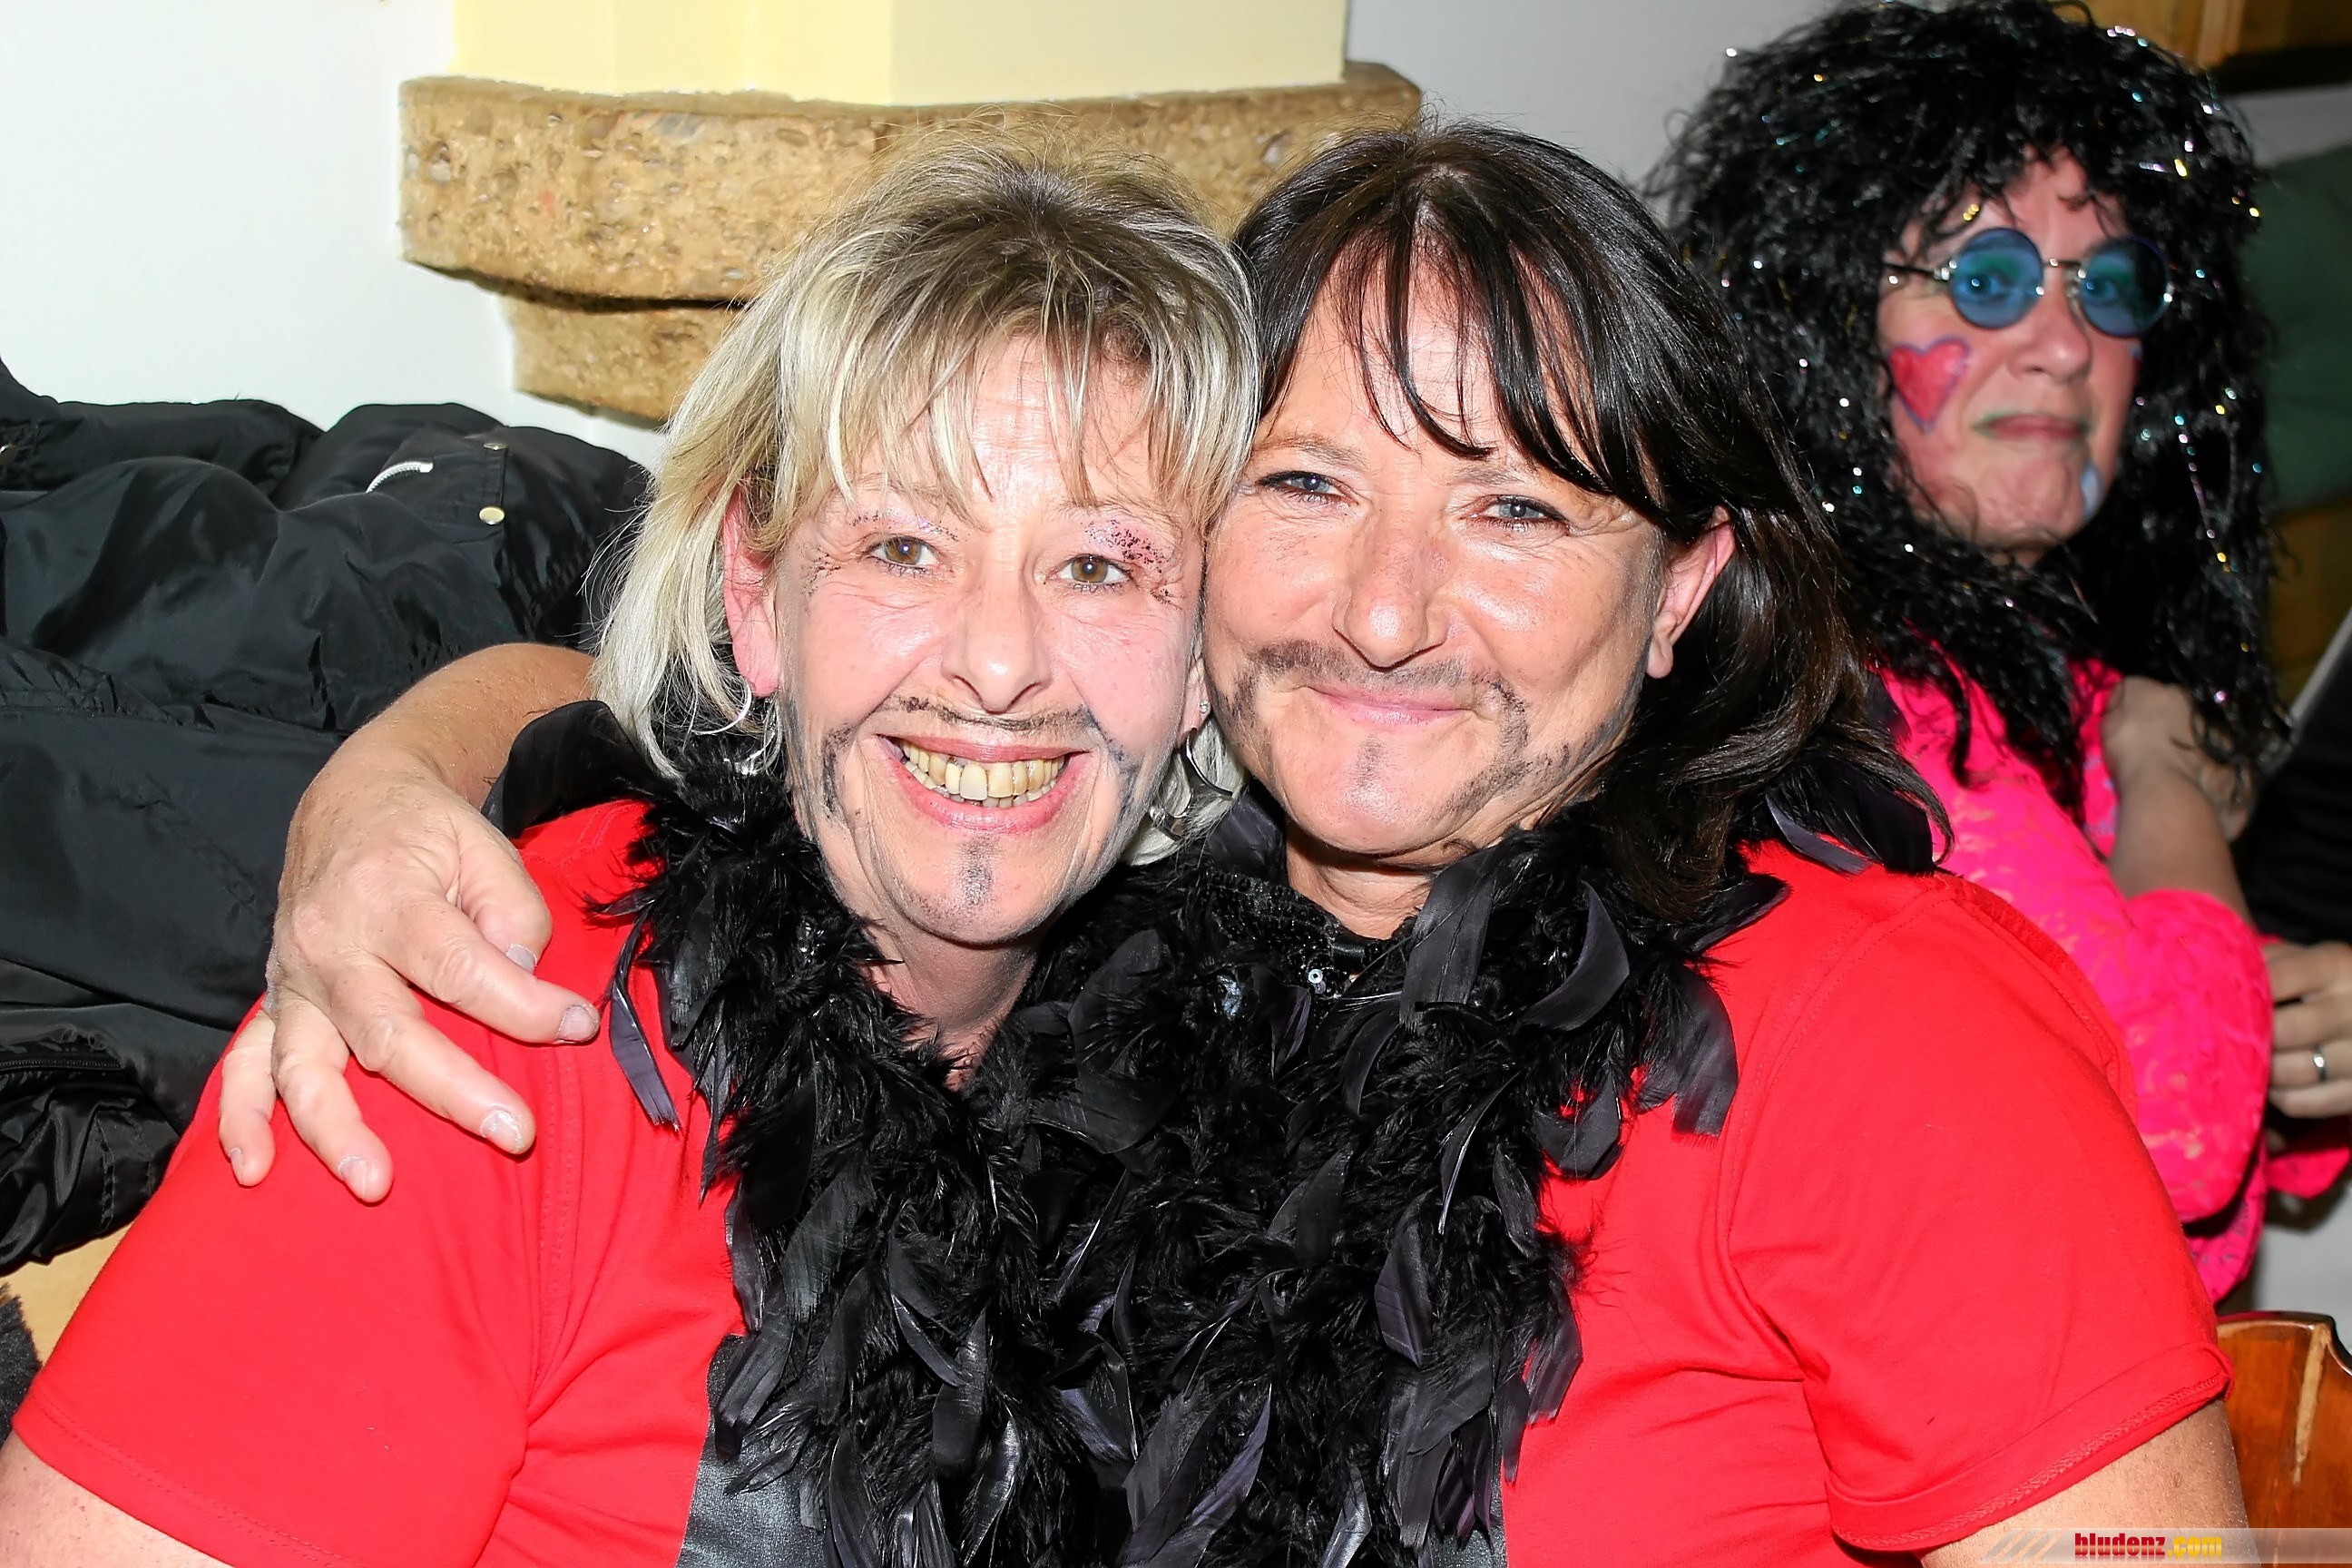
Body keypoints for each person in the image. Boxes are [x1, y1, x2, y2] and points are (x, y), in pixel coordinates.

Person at [163, 122, 2244, 1565]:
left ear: (1683, 589)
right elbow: (700, 700)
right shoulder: (1084, 963)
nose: (1388, 613)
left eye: (1515, 511)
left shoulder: (1888, 1037)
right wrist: (390, 784)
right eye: (1311, 486)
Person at [0, 133, 1259, 1564]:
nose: (999, 662)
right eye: (904, 549)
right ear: (755, 594)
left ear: (1203, 653)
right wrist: (387, 778)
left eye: (1099, 566)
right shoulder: (477, 1033)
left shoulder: (1242, 1063)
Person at [1651, 0, 2352, 1298]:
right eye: (1986, 281)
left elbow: (2130, 1007)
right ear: (1828, 326)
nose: (2067, 344)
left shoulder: (2033, 648)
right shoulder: (1861, 706)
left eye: (2111, 287)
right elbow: (2180, 1132)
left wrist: (2300, 1035)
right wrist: (2173, 786)